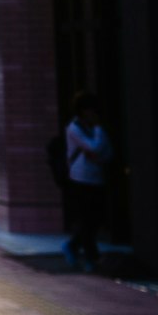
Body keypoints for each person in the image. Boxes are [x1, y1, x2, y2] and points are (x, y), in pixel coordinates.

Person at [60, 94, 116, 272]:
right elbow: (94, 147)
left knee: (95, 218)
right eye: (90, 109)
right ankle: (92, 258)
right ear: (83, 110)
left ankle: (72, 246)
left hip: (96, 178)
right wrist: (98, 130)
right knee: (87, 219)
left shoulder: (93, 129)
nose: (93, 113)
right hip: (80, 179)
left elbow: (107, 151)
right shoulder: (74, 128)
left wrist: (98, 151)